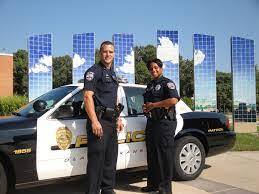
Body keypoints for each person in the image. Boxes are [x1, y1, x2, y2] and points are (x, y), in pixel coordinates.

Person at [83, 41, 124, 194]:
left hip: (111, 122)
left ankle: (107, 190)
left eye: (111, 52)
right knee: (96, 162)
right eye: (105, 51)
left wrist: (118, 118)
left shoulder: (113, 73)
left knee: (110, 160)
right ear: (100, 53)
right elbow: (87, 97)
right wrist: (94, 121)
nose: (108, 54)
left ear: (114, 54)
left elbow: (114, 98)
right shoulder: (94, 71)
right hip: (99, 121)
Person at [142, 58, 180, 194]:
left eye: (156, 67)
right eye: (151, 68)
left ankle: (165, 190)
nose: (153, 70)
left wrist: (154, 105)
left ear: (161, 68)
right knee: (152, 156)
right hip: (152, 123)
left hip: (165, 124)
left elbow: (173, 100)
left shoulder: (167, 83)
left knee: (164, 157)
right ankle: (152, 185)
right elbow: (148, 103)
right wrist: (146, 107)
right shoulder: (150, 85)